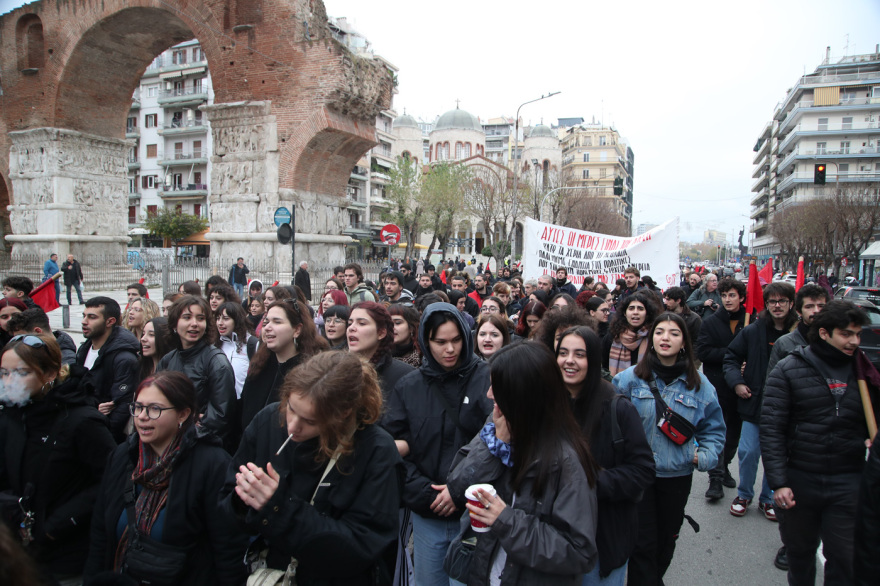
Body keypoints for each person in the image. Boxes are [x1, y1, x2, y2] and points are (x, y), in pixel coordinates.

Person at [223, 351, 403, 585]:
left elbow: (361, 548)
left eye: (310, 421)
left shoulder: (376, 450)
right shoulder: (268, 421)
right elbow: (226, 503)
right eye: (291, 408)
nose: (292, 426)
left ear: (343, 413)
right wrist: (243, 499)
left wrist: (280, 507)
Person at [447, 341, 600, 584]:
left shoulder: (566, 461)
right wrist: (495, 446)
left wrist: (506, 520)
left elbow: (578, 552)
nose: (488, 394)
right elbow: (456, 487)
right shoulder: (498, 425)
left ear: (522, 395)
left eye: (497, 387)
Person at [84, 371, 248, 585]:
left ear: (182, 414)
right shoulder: (124, 457)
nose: (142, 416)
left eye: (155, 409)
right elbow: (100, 534)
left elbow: (227, 548)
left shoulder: (212, 465)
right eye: (139, 407)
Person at [762, 300, 880, 585]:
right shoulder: (789, 369)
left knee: (844, 557)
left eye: (857, 334)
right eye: (846, 334)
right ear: (825, 333)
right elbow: (772, 428)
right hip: (800, 480)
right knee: (800, 555)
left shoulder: (865, 373)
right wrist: (779, 482)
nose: (854, 341)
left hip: (849, 481)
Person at [383, 303, 494, 586]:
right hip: (427, 513)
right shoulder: (409, 387)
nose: (450, 349)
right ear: (425, 341)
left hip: (475, 515)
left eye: (456, 340)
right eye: (440, 342)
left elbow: (496, 443)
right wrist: (424, 493)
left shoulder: (487, 379)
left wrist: (459, 490)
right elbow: (393, 448)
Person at [613, 312, 726, 585]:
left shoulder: (700, 385)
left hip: (676, 477)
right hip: (638, 478)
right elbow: (612, 425)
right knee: (642, 544)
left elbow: (714, 429)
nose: (666, 338)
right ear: (651, 339)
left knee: (666, 541)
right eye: (660, 332)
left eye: (674, 333)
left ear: (684, 342)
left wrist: (704, 456)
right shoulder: (628, 380)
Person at [0, 333, 116, 583]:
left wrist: (55, 526)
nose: (9, 382)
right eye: (3, 373)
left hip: (67, 555)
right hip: (20, 550)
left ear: (50, 374)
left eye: (21, 373)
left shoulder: (81, 421)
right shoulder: (11, 416)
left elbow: (111, 479)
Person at [555, 327, 655, 584]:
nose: (569, 361)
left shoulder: (618, 407)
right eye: (563, 353)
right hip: (553, 538)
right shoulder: (546, 405)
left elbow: (642, 470)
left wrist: (589, 483)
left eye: (580, 354)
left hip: (603, 538)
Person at [722, 282, 796, 519]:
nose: (777, 305)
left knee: (777, 455)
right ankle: (744, 494)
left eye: (782, 301)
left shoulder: (798, 334)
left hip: (787, 408)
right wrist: (737, 382)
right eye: (772, 301)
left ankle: (768, 498)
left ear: (791, 304)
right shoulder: (753, 331)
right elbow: (731, 357)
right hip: (755, 404)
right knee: (748, 451)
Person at [157, 295, 237, 451]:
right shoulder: (167, 360)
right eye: (187, 317)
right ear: (174, 323)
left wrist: (188, 427)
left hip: (198, 447)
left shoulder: (217, 363)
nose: (194, 324)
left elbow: (220, 417)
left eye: (200, 318)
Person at [240, 297, 328, 431]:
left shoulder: (309, 373)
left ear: (297, 330)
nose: (268, 327)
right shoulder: (259, 364)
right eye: (266, 321)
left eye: (277, 322)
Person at [697, 278, 747, 499]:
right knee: (718, 431)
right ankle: (715, 479)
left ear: (741, 298)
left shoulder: (751, 321)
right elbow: (704, 353)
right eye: (724, 295)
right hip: (718, 384)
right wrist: (733, 353)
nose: (727, 299)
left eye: (732, 295)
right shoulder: (710, 322)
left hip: (743, 385)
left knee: (734, 433)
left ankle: (725, 465)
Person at [77, 296, 141, 443]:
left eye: (92, 317)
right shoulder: (84, 349)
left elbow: (122, 406)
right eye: (84, 316)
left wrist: (103, 438)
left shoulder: (123, 358)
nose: (84, 321)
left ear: (110, 321)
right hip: (83, 427)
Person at [347, 301, 415, 404]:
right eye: (350, 323)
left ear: (381, 333)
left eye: (361, 323)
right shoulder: (339, 370)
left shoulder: (406, 376)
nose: (352, 328)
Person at [603, 291, 660, 377]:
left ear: (647, 314)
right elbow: (604, 366)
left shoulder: (654, 337)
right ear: (625, 313)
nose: (635, 312)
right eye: (631, 308)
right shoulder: (613, 336)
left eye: (640, 309)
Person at [7, 307, 78, 366]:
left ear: (38, 331)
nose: (19, 344)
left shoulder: (66, 360)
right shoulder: (38, 351)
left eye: (23, 339)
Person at [215, 301, 252, 399]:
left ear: (237, 320)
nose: (220, 323)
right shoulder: (215, 345)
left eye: (226, 319)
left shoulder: (251, 344)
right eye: (218, 318)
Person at [137, 316, 173, 384]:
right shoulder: (139, 367)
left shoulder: (174, 368)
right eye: (143, 334)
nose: (143, 339)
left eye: (151, 335)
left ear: (165, 339)